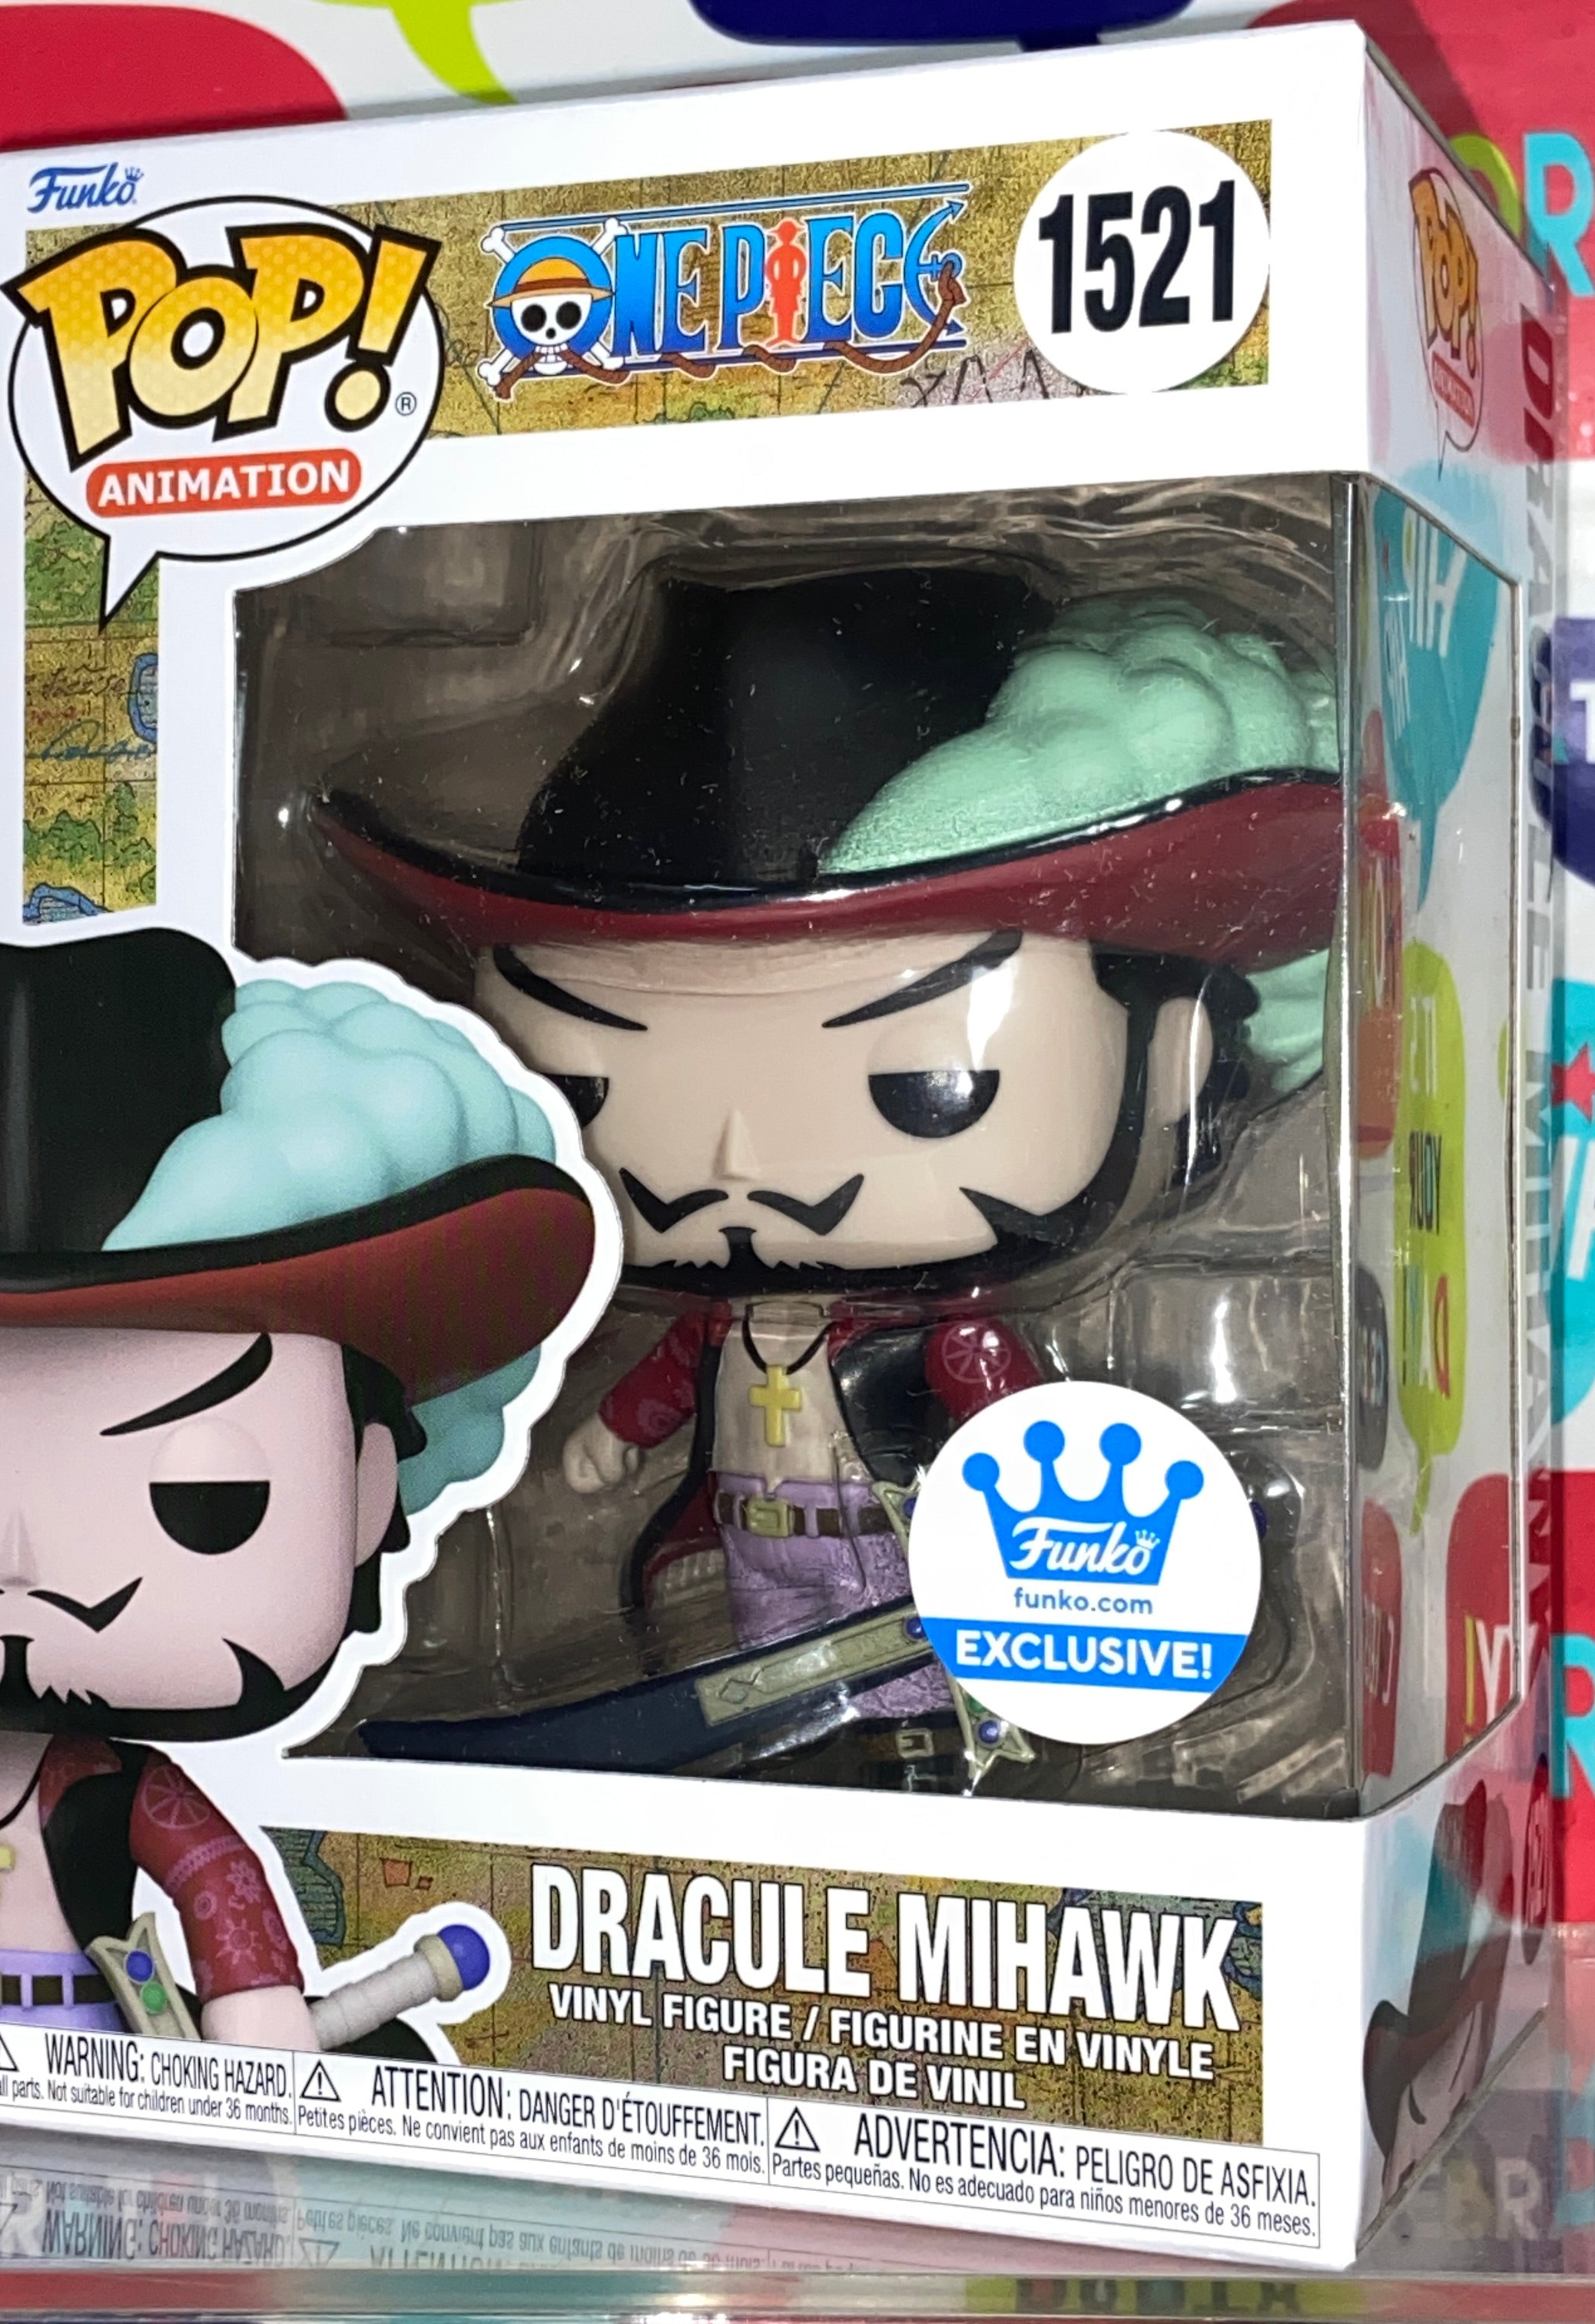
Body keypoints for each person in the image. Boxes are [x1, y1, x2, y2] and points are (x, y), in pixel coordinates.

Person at [327, 565, 1338, 1784]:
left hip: (897, 1550)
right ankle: (791, 1757)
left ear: (1174, 1061)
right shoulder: (718, 1332)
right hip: (752, 1547)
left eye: (920, 1086)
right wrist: (609, 1435)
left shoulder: (948, 1339)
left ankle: (916, 1748)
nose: (736, 1163)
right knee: (759, 1667)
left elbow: (1024, 1445)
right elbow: (664, 1386)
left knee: (900, 1685)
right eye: (590, 1089)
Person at [0, 928, 600, 2042]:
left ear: (364, 1489)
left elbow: (215, 1877)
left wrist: (253, 2004)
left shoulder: (119, 1787)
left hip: (94, 2049)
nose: (17, 1569)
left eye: (206, 1494)